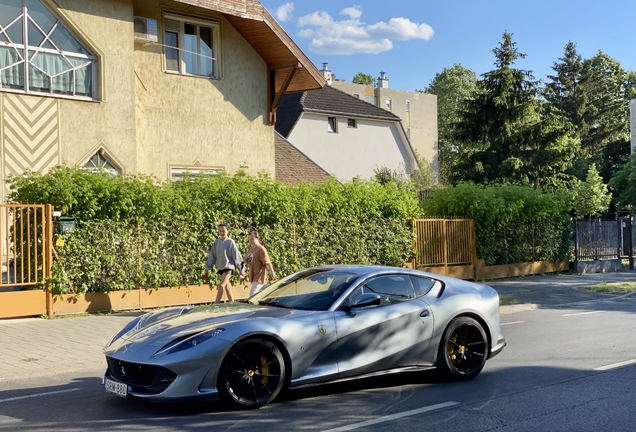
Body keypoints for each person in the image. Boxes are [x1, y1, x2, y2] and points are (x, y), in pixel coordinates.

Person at [204, 224, 244, 303]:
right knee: (227, 287)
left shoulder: (230, 242)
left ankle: (216, 305)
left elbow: (237, 256)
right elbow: (212, 256)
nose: (221, 233)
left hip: (228, 267)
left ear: (228, 231)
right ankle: (233, 304)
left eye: (223, 231)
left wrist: (241, 269)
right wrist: (207, 269)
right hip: (221, 267)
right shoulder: (217, 242)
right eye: (220, 231)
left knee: (221, 285)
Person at [244, 231, 276, 297]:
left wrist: (272, 272)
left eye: (252, 239)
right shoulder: (251, 249)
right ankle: (267, 287)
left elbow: (267, 262)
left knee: (253, 293)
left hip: (259, 275)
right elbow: (247, 259)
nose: (251, 241)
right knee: (259, 292)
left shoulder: (261, 249)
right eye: (249, 239)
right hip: (253, 273)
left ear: (257, 238)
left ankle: (252, 307)